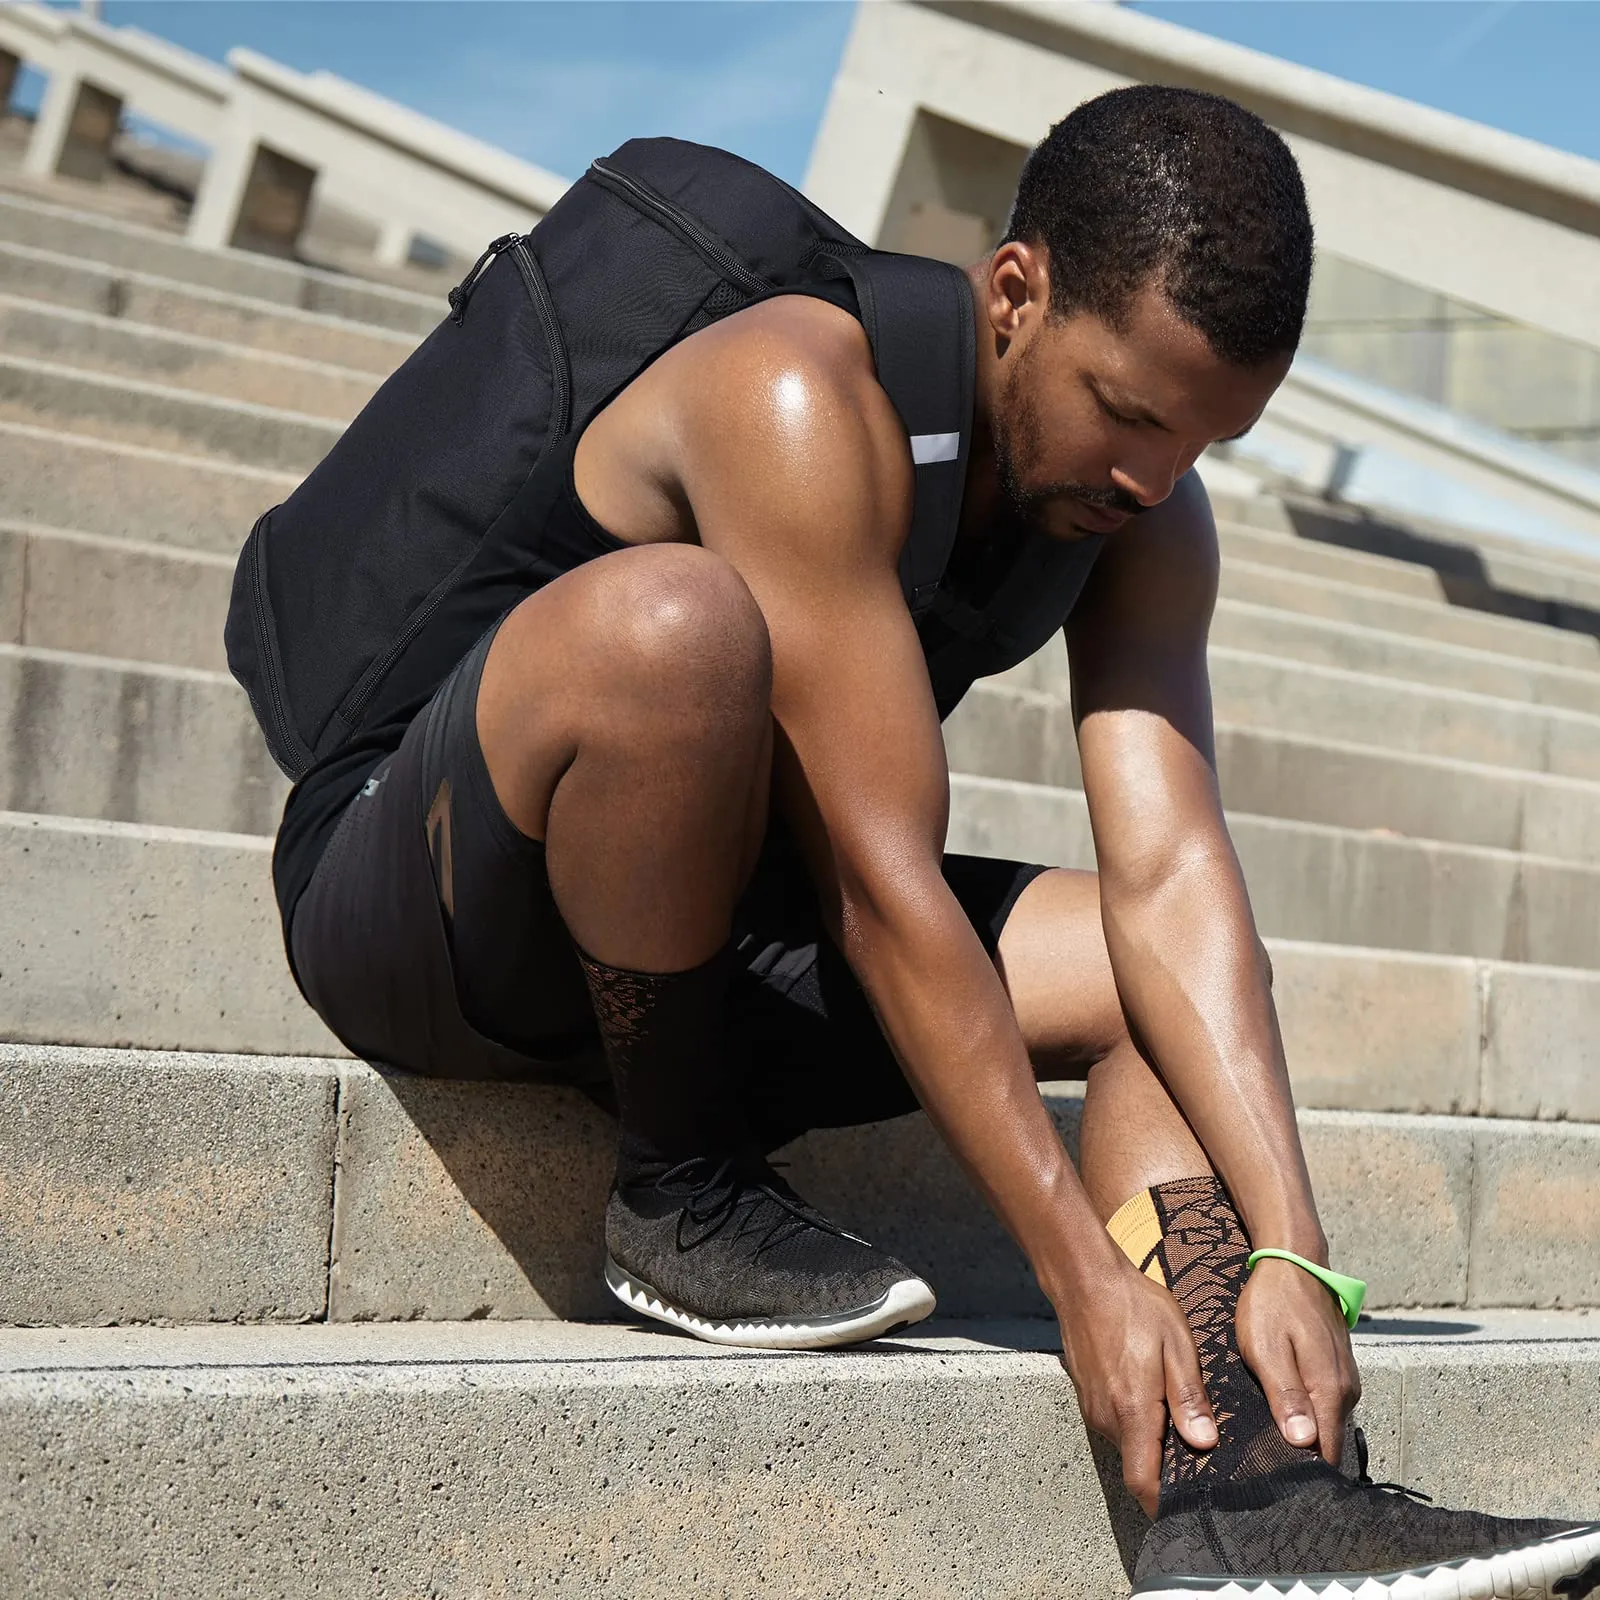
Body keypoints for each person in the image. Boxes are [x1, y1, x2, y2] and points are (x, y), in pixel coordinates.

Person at [273, 86, 1600, 1596]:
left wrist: (1297, 1250)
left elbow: (1172, 881)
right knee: (679, 628)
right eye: (1131, 411)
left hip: (737, 931)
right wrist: (1077, 1274)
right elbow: (887, 881)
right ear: (1017, 294)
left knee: (1133, 965)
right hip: (436, 904)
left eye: (1208, 439)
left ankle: (1252, 1499)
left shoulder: (1148, 517)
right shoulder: (797, 387)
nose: (1155, 478)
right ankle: (677, 1192)